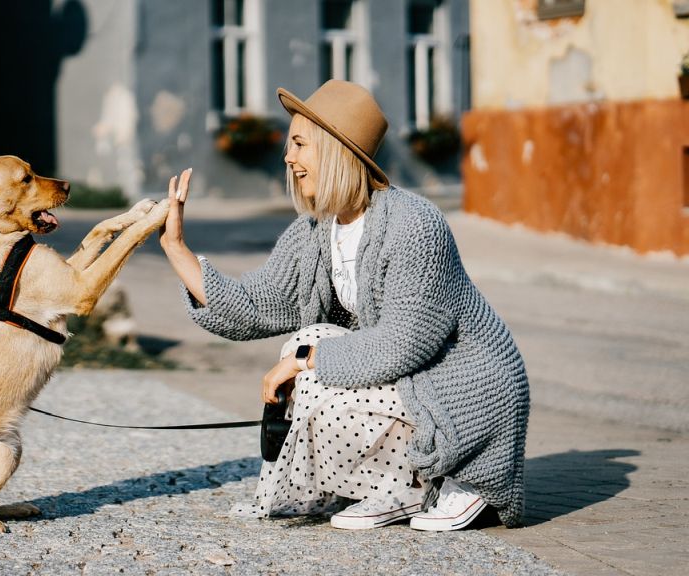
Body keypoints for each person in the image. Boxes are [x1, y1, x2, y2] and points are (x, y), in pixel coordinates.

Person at [158, 80, 529, 531]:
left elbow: (402, 344)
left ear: (336, 149)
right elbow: (255, 305)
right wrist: (176, 248)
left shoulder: (415, 224)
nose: (288, 157)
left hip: (464, 389)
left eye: (299, 144)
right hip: (409, 380)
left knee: (310, 360)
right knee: (307, 343)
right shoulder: (316, 230)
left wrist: (304, 361)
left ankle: (448, 479)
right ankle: (393, 487)